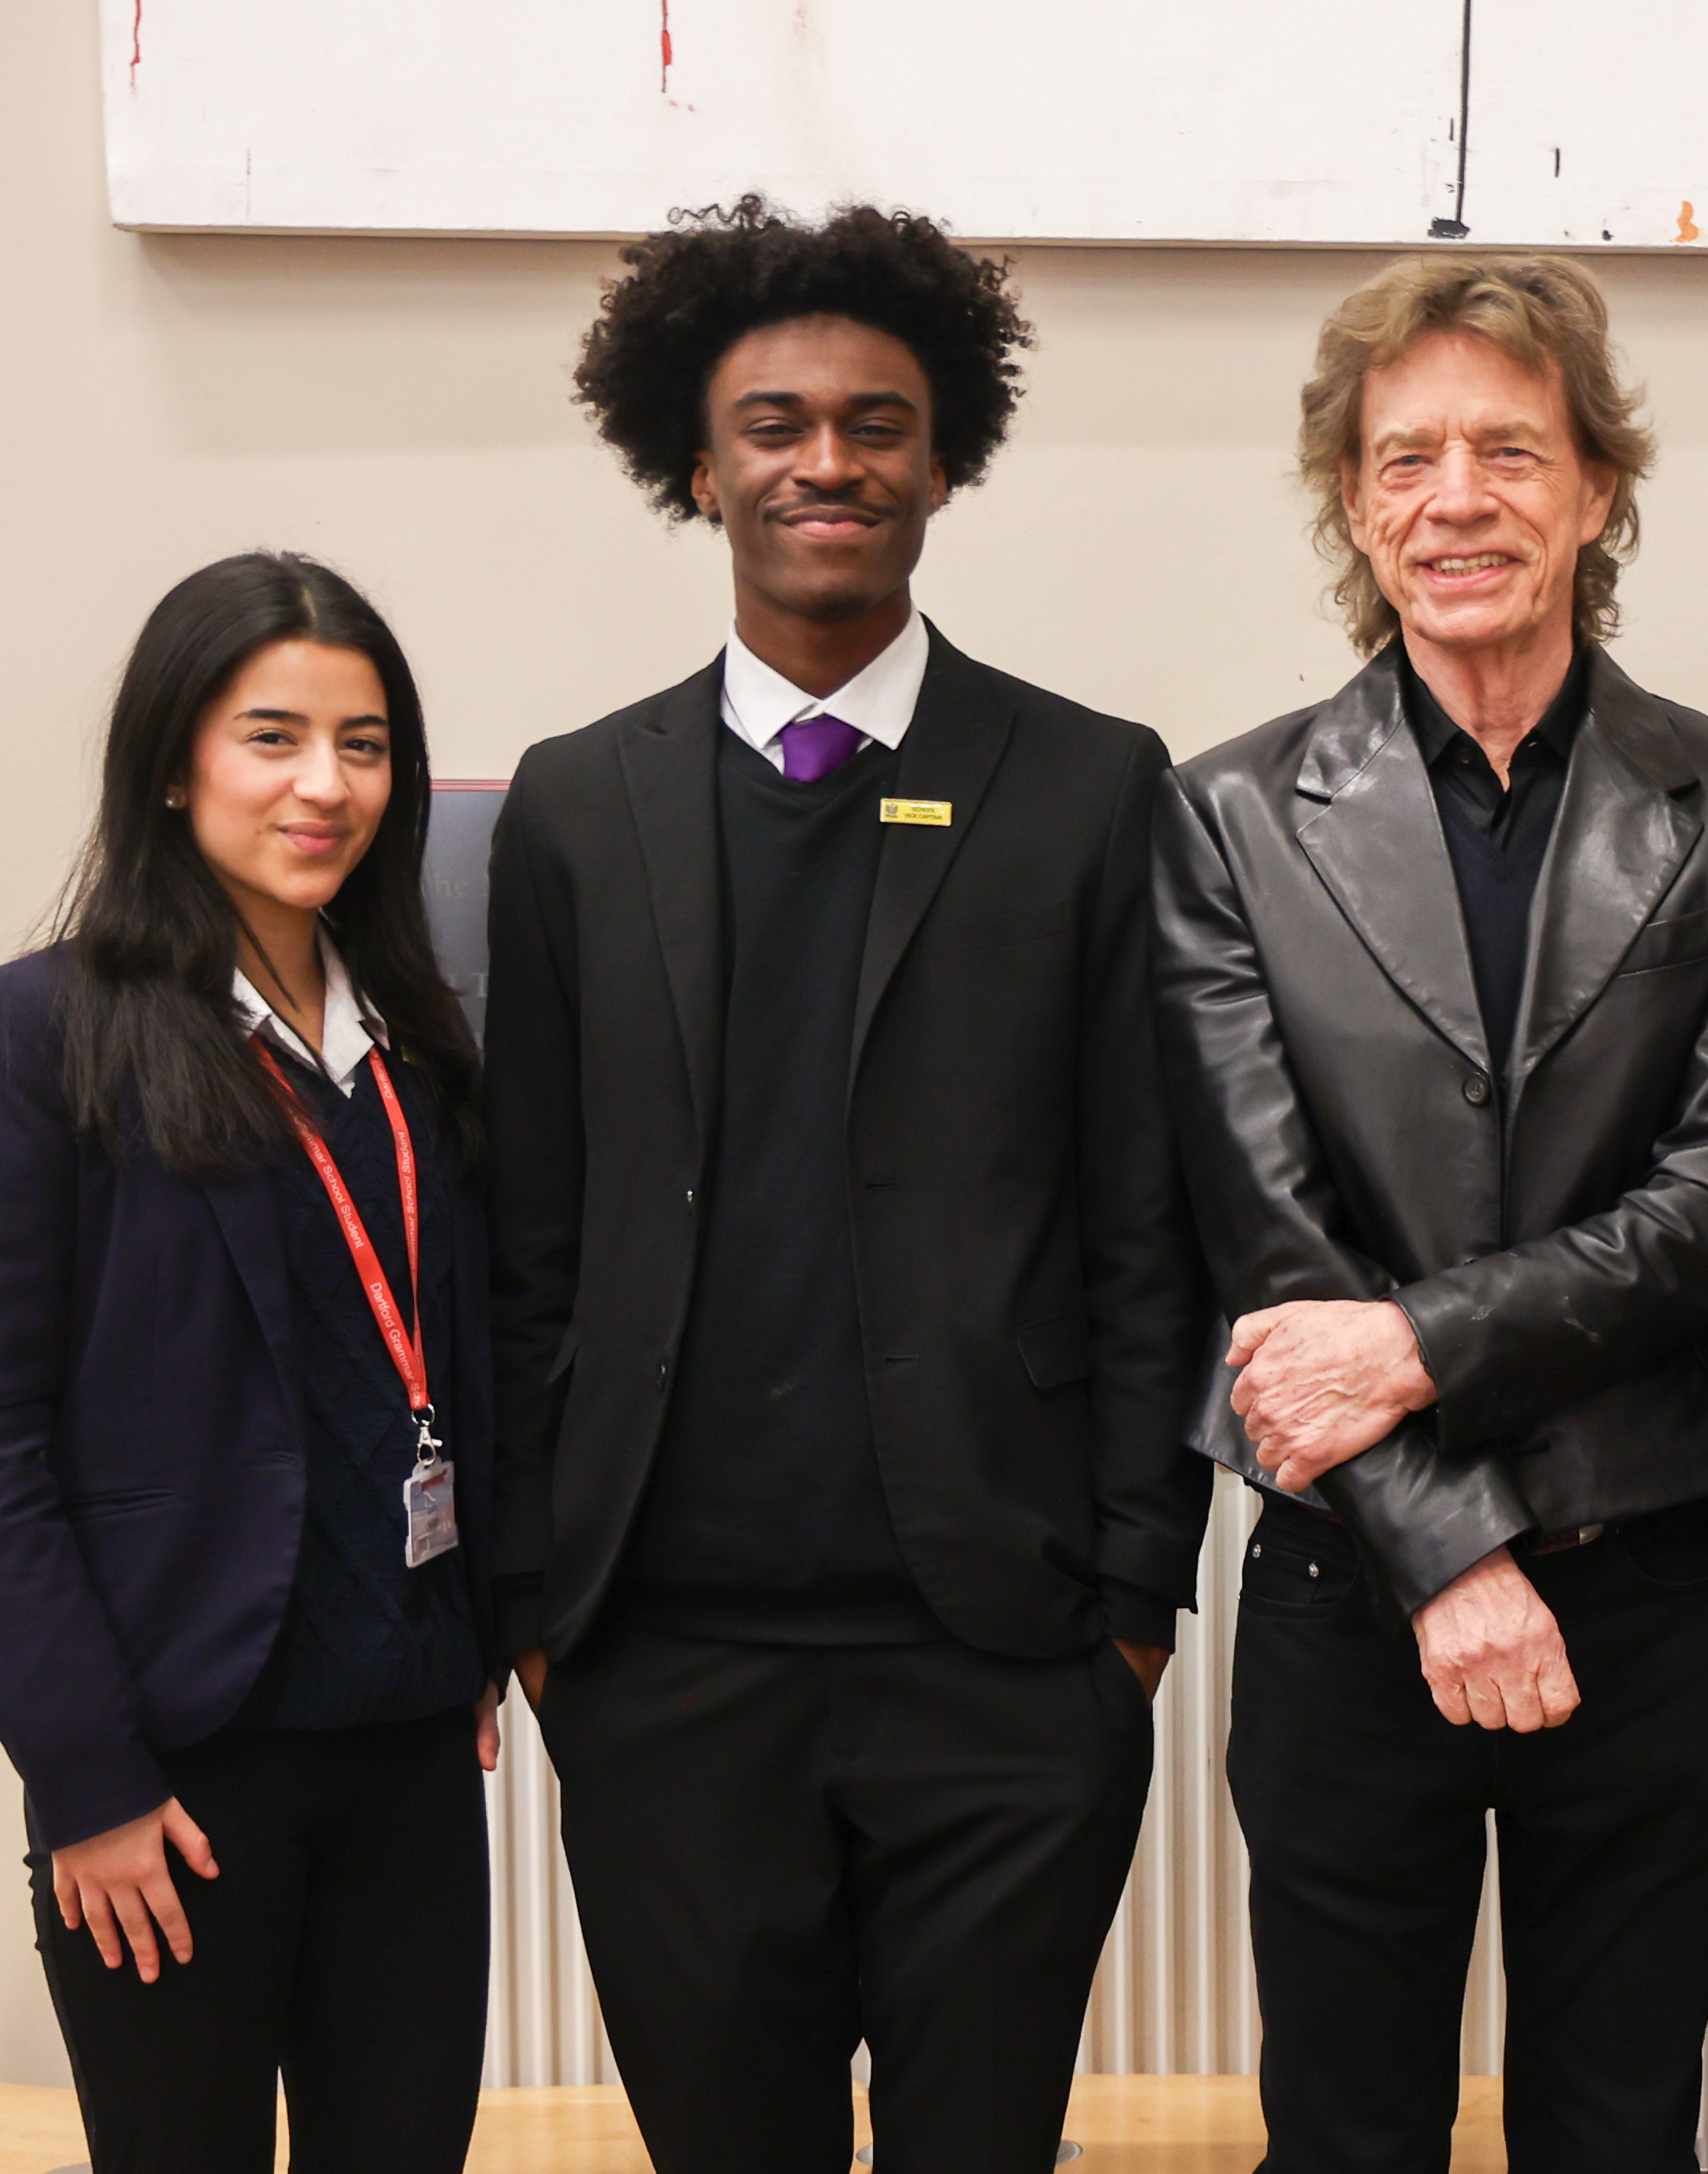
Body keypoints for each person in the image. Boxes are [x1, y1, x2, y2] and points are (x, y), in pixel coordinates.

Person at [486, 197, 1207, 2174]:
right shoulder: (575, 804)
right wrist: (543, 1607)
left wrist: (1134, 1602)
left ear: (946, 456)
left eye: (877, 423)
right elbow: (527, 1232)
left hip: (1004, 1663)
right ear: (695, 461)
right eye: (778, 423)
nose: (829, 462)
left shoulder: (1090, 786)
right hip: (662, 1666)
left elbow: (1150, 1227)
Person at [1151, 253, 1708, 2173]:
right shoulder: (1229, 821)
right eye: (1408, 458)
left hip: (1652, 1585)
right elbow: (1265, 1237)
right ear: (1356, 505)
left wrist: (1420, 1343)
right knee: (1345, 2129)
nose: (1458, 499)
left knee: (1620, 2129)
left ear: (1596, 490)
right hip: (1349, 1593)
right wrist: (1451, 1556)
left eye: (1510, 452)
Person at [0, 554, 502, 2172]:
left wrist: (483, 1630)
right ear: (174, 764)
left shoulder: (422, 1049)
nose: (326, 786)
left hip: (410, 1744)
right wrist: (83, 1776)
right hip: (170, 1773)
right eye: (273, 737)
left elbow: (462, 1362)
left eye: (366, 744)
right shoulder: (27, 1040)